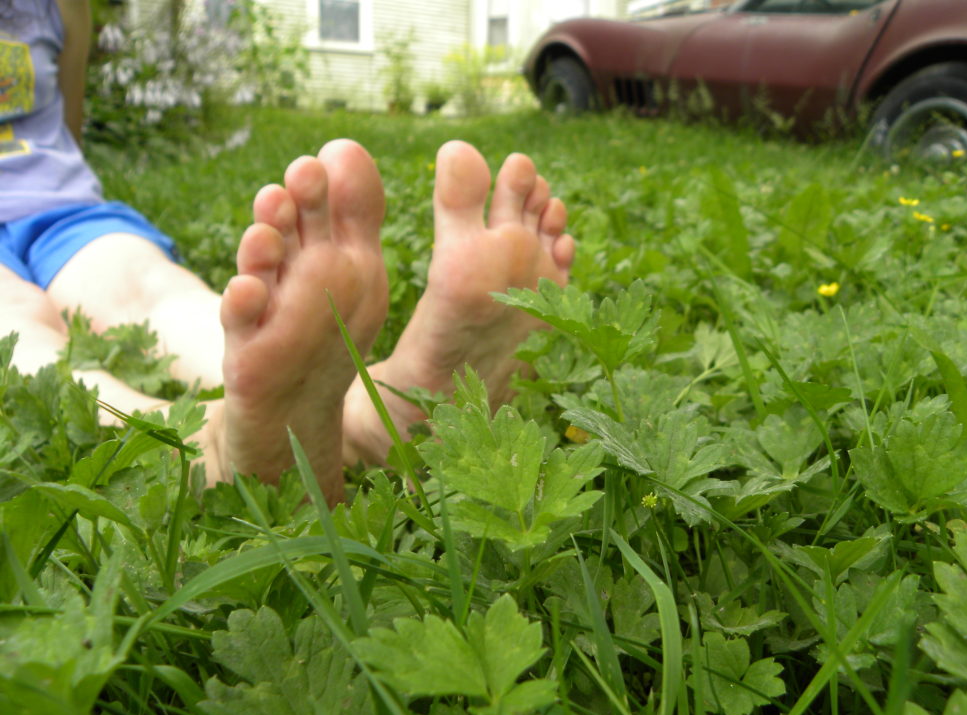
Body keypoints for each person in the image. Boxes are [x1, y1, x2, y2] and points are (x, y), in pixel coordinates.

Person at [0, 0, 574, 503]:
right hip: (55, 209)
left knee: (148, 289)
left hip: (63, 206)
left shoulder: (57, 4)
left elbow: (65, 128)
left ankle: (370, 414)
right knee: (18, 327)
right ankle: (200, 446)